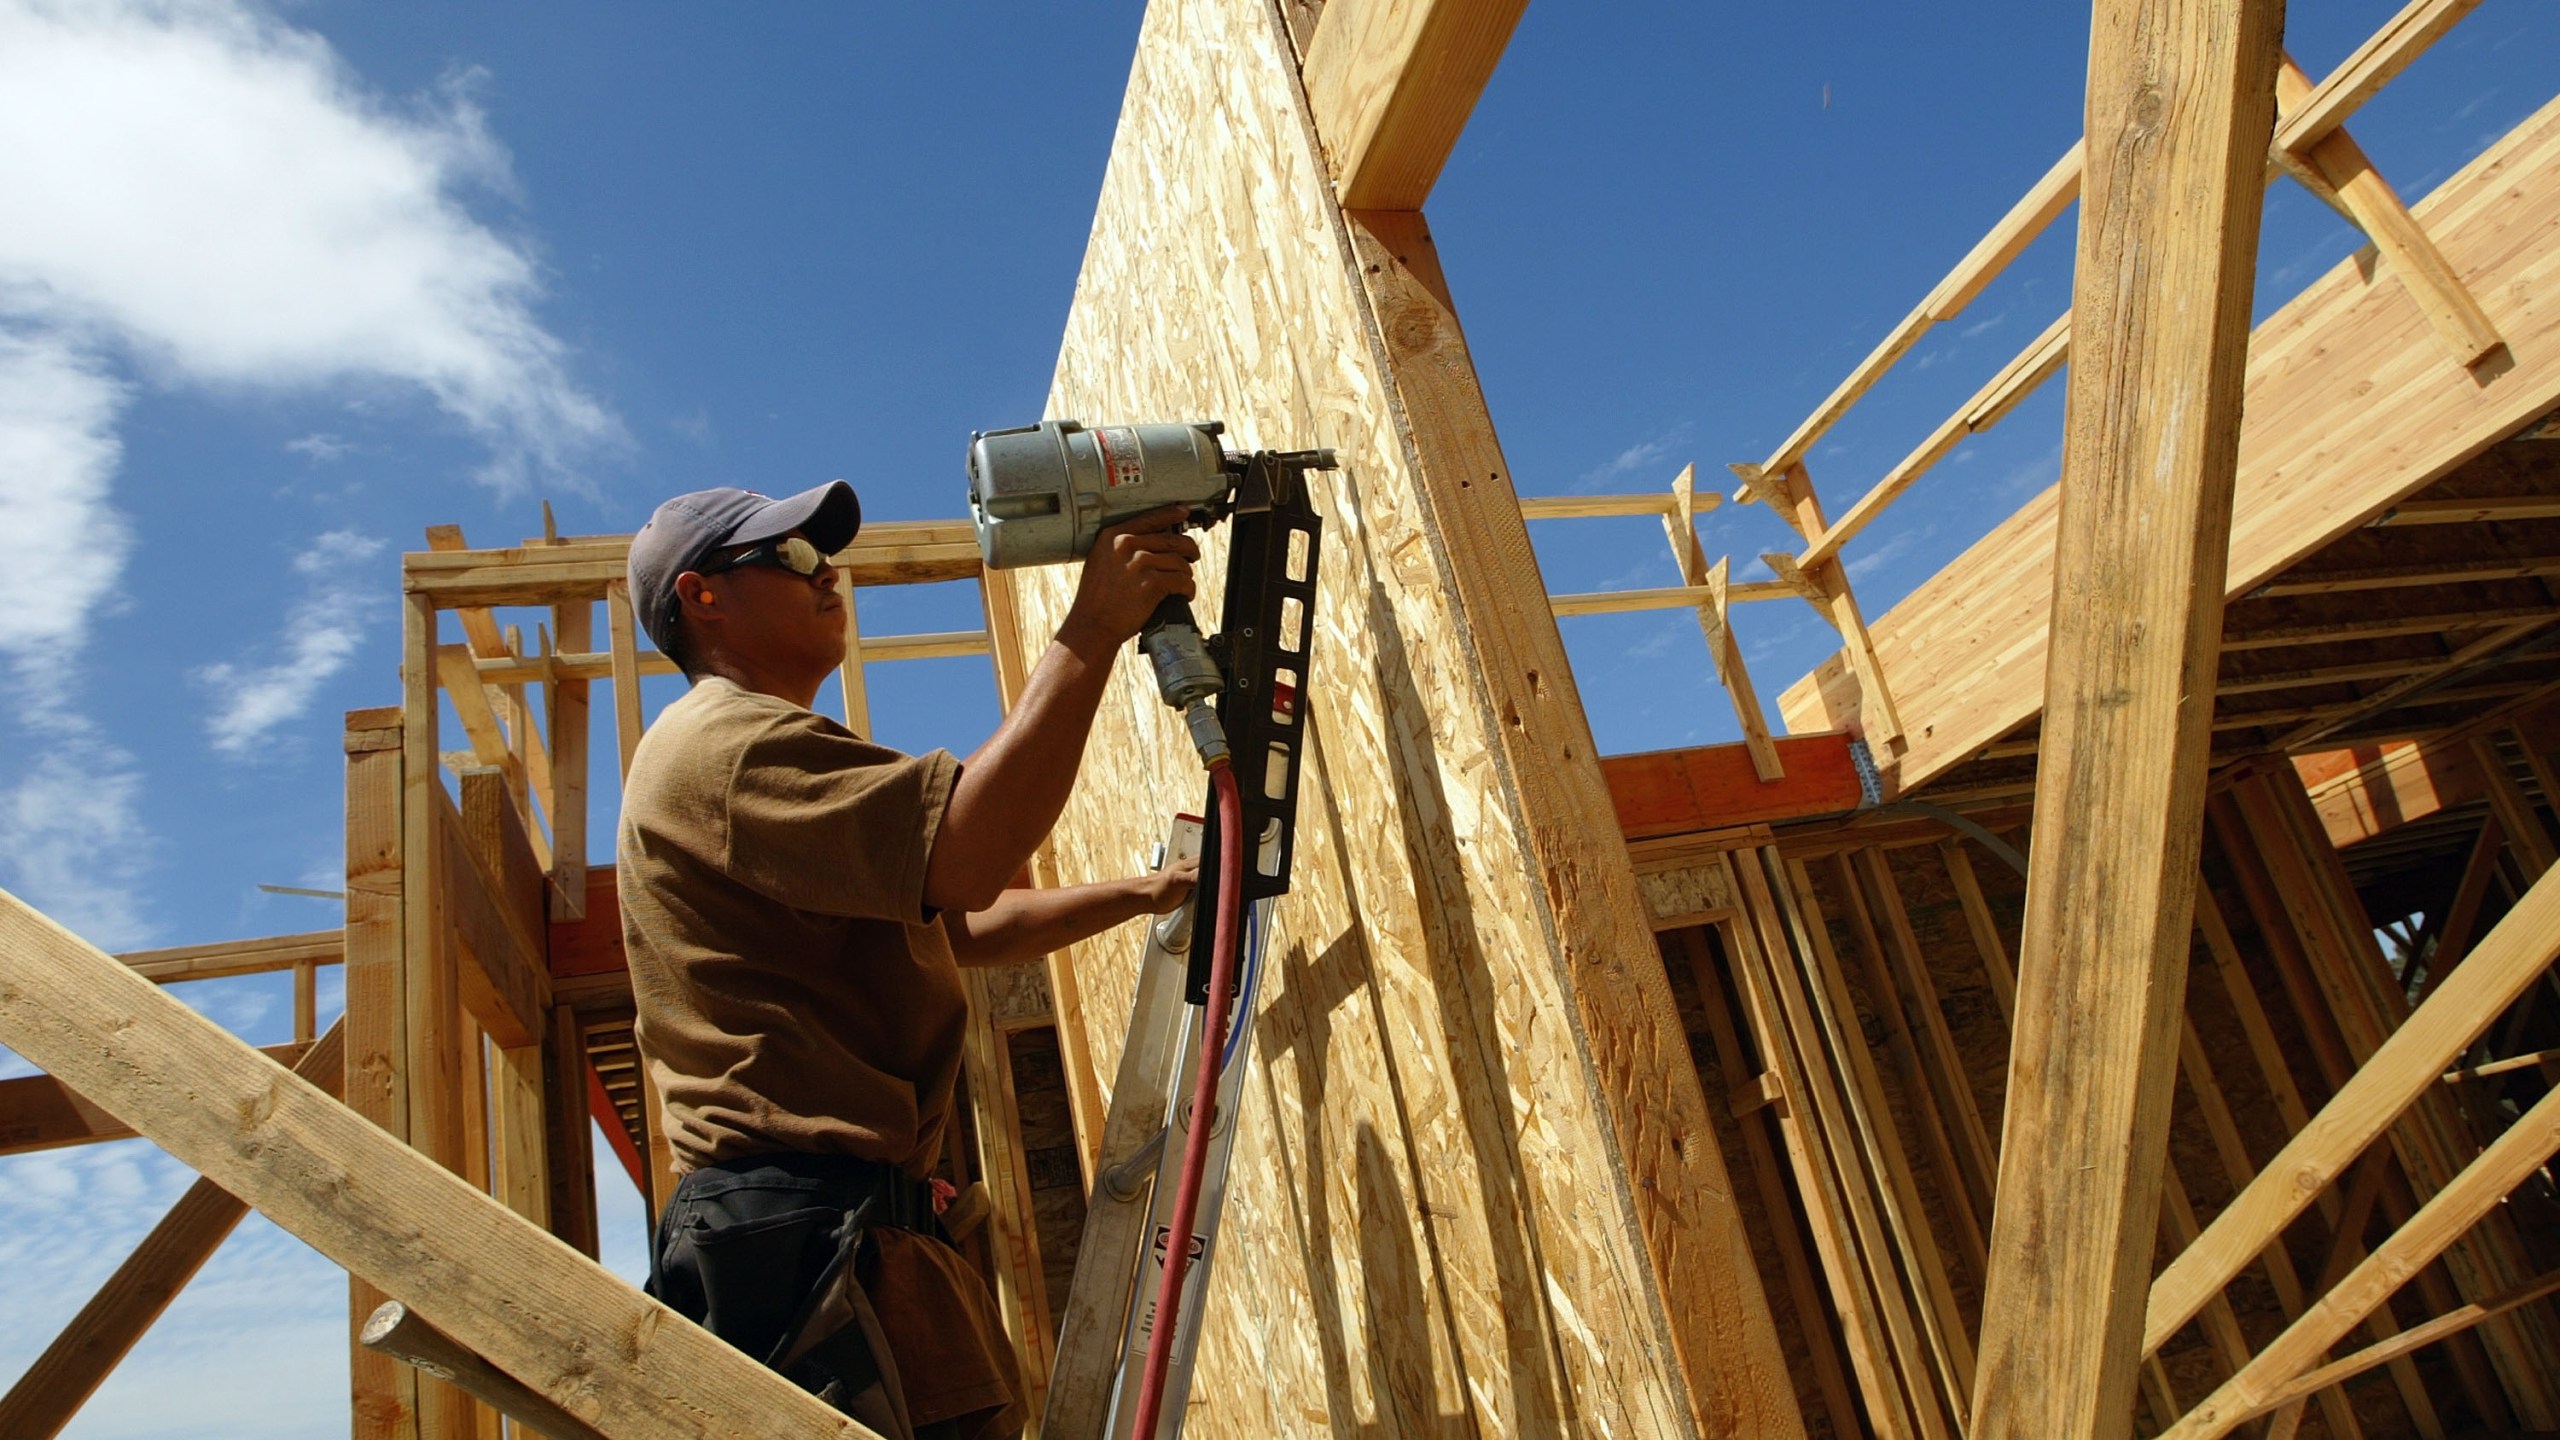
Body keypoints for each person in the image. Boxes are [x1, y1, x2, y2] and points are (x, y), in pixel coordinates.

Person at [616, 479, 1201, 1440]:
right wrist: (1093, 627)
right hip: (804, 1245)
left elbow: (963, 926)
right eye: (792, 557)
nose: (826, 573)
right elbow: (969, 852)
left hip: (840, 1233)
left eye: (826, 555)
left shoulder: (765, 757)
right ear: (701, 596)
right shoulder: (723, 747)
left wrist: (1143, 895)